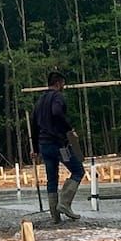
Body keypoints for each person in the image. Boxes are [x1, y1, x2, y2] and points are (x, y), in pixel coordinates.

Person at [33, 70, 85, 224]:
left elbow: (34, 127)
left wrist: (35, 150)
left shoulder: (39, 101)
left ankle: (54, 216)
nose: (63, 87)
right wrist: (69, 129)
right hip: (59, 145)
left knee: (52, 179)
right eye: (63, 84)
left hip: (44, 146)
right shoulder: (57, 97)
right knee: (78, 170)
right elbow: (56, 112)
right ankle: (64, 203)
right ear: (58, 83)